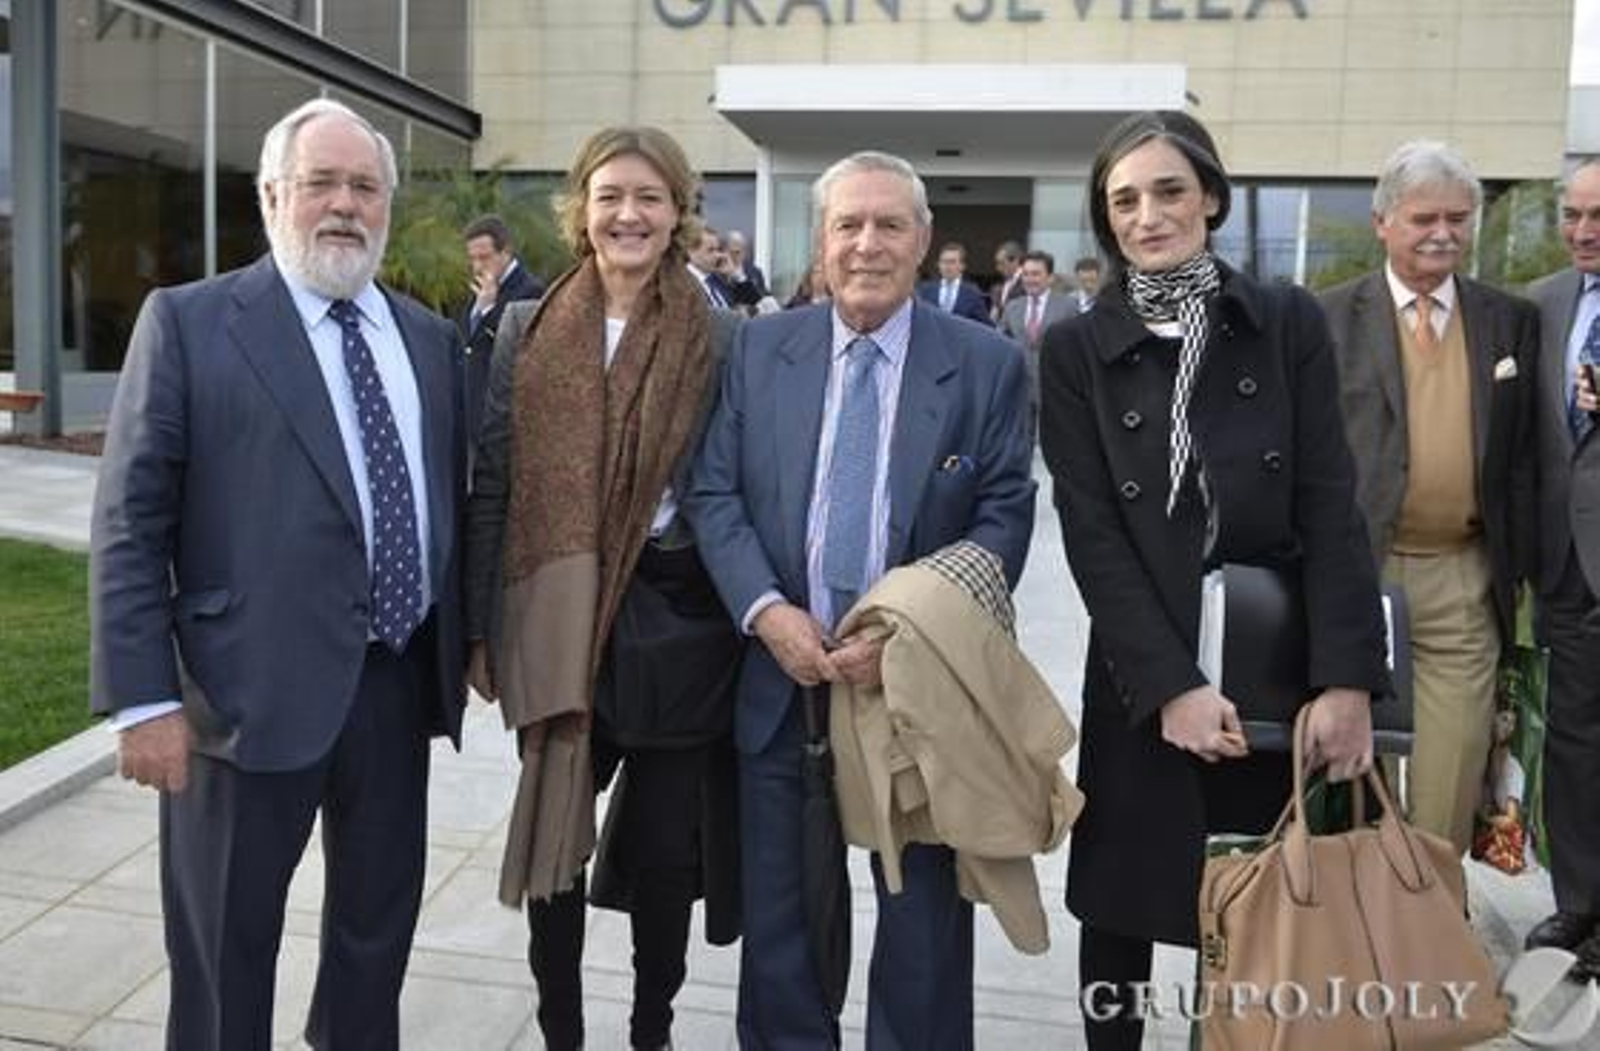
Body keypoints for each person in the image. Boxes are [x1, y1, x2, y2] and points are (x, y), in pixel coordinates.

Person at [88, 98, 467, 1050]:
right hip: (238, 698)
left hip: (394, 679)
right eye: (321, 183)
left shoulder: (430, 339)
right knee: (225, 945)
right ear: (271, 196)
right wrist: (142, 699)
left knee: (375, 936)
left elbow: (447, 498)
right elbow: (130, 520)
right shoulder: (190, 323)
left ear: (386, 203)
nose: (345, 205)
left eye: (364, 186)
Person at [1037, 110, 1387, 1050]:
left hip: (1274, 669)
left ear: (1213, 199)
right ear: (1106, 222)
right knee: (1121, 910)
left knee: (1258, 917)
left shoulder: (1285, 322)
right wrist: (1170, 687)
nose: (1148, 216)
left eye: (1168, 191)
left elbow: (1330, 501)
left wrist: (1347, 678)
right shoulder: (1077, 347)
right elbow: (1092, 531)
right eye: (1124, 201)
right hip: (1143, 672)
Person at [686, 150, 1035, 1049]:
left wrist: (910, 636)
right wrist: (766, 610)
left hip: (913, 687)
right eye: (848, 224)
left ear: (923, 241)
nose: (867, 244)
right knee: (781, 923)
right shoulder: (759, 348)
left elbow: (1002, 516)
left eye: (889, 225)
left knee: (921, 924)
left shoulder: (988, 365)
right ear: (819, 240)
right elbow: (713, 492)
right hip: (781, 672)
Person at [463, 125, 743, 1051]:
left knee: (666, 857)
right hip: (555, 615)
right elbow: (495, 480)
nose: (629, 213)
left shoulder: (718, 334)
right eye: (611, 195)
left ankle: (651, 1027)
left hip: (676, 625)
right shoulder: (525, 329)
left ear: (677, 214)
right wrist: (481, 628)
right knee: (557, 848)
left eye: (650, 197)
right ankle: (563, 1033)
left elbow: (733, 484)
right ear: (582, 210)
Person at [1320, 139, 1538, 857]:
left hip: (1464, 575)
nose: (1443, 232)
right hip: (1362, 575)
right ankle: (1359, 933)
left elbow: (1529, 453)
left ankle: (1433, 932)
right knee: (1358, 778)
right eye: (1423, 218)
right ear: (1383, 222)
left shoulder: (1510, 320)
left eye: (1458, 217)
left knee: (1447, 781)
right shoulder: (1327, 319)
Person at [1525, 156, 1600, 979]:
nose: (1582, 232)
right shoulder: (1543, 303)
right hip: (1568, 571)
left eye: (1599, 217)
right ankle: (1579, 900)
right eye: (1572, 215)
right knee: (1574, 744)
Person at [461, 214, 543, 450]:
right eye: (473, 259)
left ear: (505, 251)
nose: (477, 267)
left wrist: (487, 308)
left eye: (484, 258)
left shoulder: (530, 290)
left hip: (504, 418)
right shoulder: (484, 287)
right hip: (475, 410)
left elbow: (514, 349)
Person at [916, 241, 993, 324]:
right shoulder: (925, 290)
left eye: (952, 262)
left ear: (962, 266)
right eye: (944, 262)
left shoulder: (972, 292)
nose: (947, 266)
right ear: (938, 265)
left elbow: (984, 323)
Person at [991, 239, 1025, 321]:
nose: (998, 268)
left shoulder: (1026, 283)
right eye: (997, 263)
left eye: (1002, 263)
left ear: (1015, 261)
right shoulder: (999, 287)